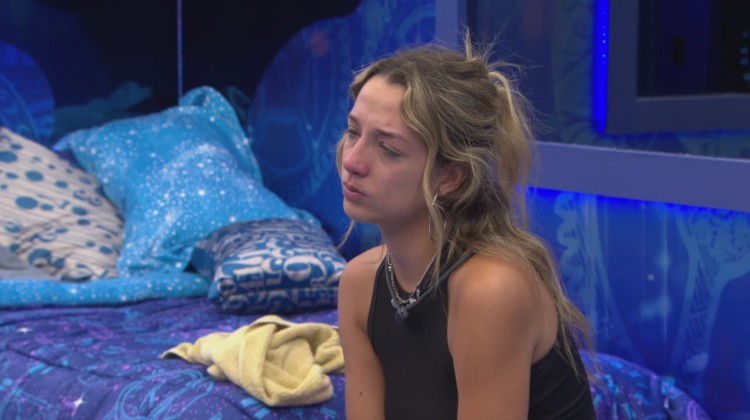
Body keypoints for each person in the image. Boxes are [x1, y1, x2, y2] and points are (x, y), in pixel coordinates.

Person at [335, 32, 596, 420]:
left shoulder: (490, 289)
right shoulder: (359, 283)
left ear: (450, 176)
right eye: (353, 131)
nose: (352, 161)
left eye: (387, 148)